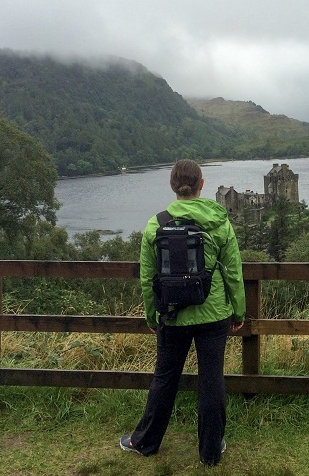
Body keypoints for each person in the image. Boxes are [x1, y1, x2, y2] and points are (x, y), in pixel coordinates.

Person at [119, 159, 245, 466]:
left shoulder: (156, 224)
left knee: (165, 378)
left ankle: (145, 442)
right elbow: (233, 273)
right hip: (213, 313)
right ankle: (211, 451)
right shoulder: (219, 222)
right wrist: (238, 312)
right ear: (201, 185)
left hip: (172, 314)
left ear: (174, 187)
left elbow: (149, 279)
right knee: (212, 380)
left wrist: (152, 316)